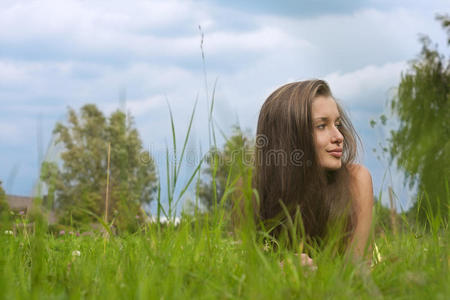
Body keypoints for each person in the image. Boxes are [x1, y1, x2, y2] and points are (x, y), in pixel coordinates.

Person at [253, 79, 374, 265]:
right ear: (290, 136)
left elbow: (359, 268)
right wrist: (277, 269)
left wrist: (318, 273)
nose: (339, 137)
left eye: (338, 124)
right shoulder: (254, 191)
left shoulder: (357, 180)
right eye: (321, 126)